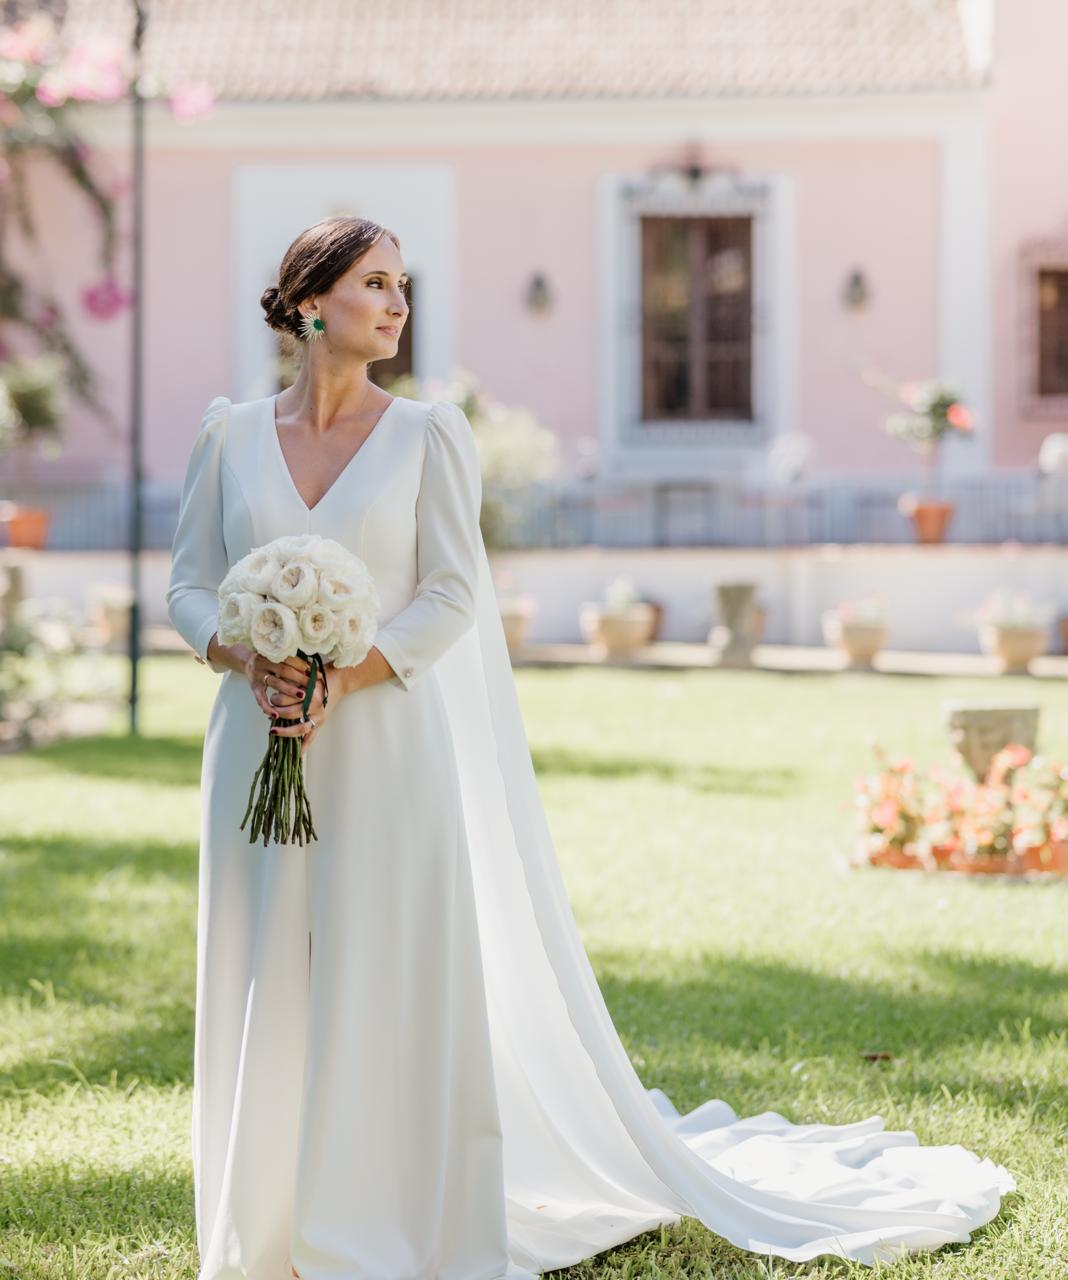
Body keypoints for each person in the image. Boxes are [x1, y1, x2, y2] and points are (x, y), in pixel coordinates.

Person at [168, 216, 1014, 1280]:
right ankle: (267, 1232)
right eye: (374, 283)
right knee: (263, 974)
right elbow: (192, 580)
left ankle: (370, 1227)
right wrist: (246, 659)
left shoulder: (427, 435)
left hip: (385, 742)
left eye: (403, 285)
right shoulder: (229, 436)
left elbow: (451, 593)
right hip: (256, 740)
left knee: (381, 972)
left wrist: (349, 672)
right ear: (308, 301)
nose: (396, 304)